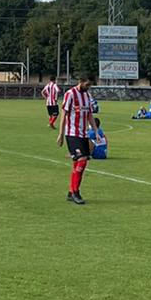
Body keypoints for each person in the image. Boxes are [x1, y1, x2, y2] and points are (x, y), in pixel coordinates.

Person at [57, 75, 94, 205]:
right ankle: (75, 192)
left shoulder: (88, 96)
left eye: (90, 85)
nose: (88, 87)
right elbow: (64, 114)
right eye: (87, 85)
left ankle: (70, 191)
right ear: (81, 81)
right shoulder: (70, 94)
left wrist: (95, 132)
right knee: (82, 161)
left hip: (83, 134)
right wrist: (61, 134)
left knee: (78, 164)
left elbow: (90, 115)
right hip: (72, 134)